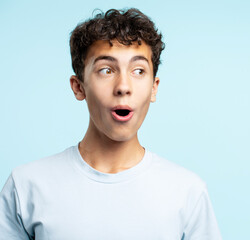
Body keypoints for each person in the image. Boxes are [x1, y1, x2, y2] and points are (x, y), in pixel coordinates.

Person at [0, 8, 222, 239]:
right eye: (106, 70)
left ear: (154, 87)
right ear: (79, 86)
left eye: (138, 70)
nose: (123, 86)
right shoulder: (26, 187)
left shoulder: (187, 193)